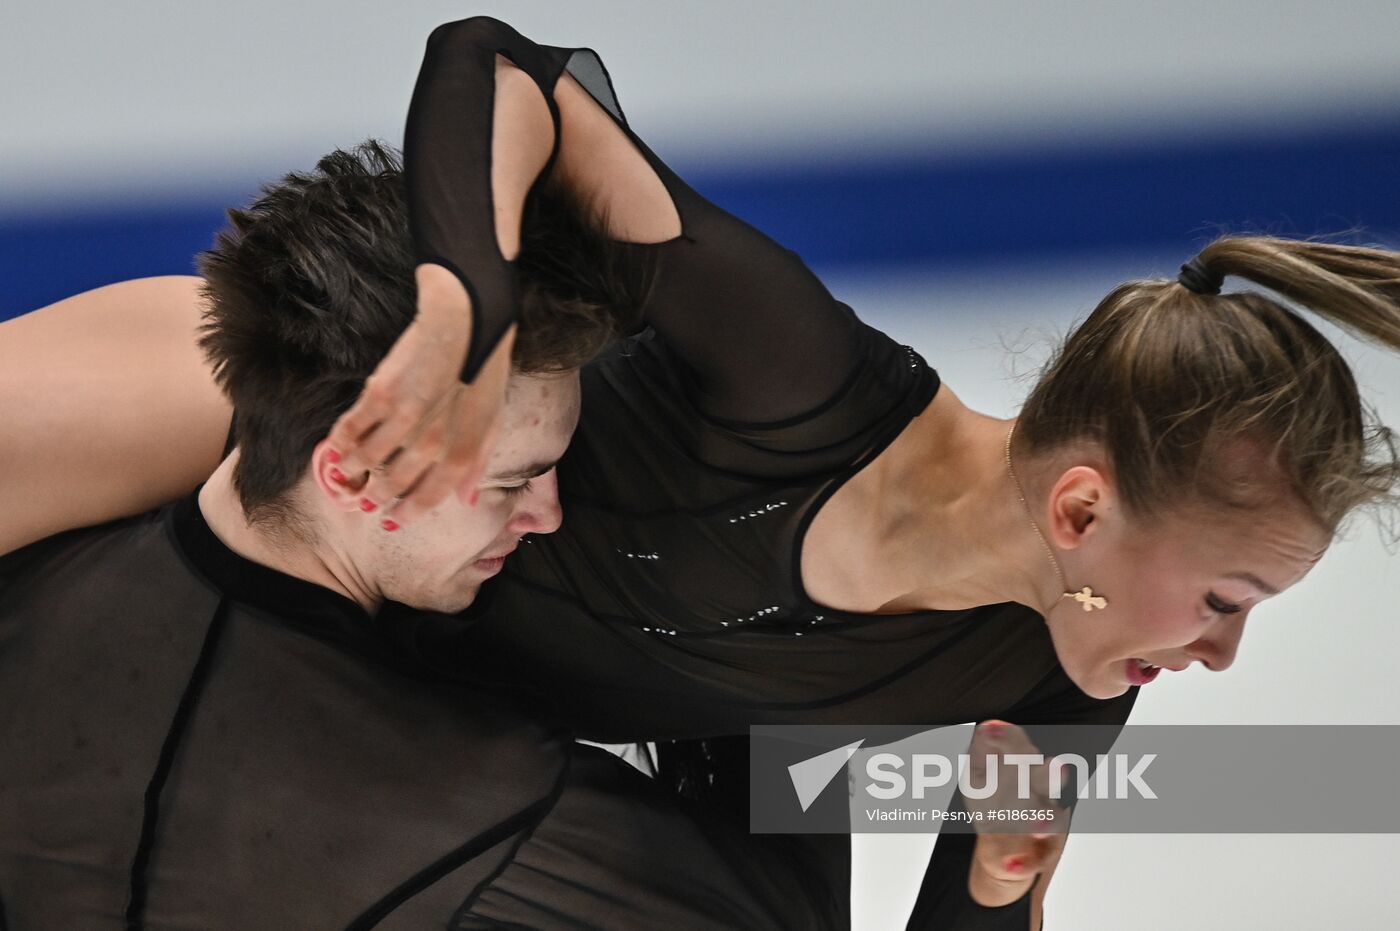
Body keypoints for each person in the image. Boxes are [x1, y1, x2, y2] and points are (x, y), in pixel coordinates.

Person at [4, 15, 1399, 928]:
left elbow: (878, 867)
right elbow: (501, 66)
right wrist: (461, 311)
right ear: (1082, 508)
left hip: (414, 691)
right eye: (1225, 595)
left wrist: (985, 878)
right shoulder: (799, 376)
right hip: (381, 437)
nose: (1221, 653)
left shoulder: (1055, 686)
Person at [0, 143, 839, 930]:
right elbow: (813, 833)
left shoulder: (55, 550)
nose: (547, 510)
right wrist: (958, 789)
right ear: (353, 473)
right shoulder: (501, 820)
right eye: (515, 481)